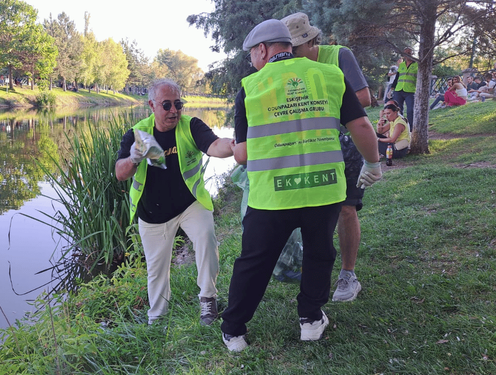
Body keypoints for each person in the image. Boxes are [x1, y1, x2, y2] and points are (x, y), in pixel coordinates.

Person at [220, 19, 381, 352]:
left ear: (263, 50)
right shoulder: (329, 75)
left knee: (254, 261)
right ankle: (310, 319)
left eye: (252, 52)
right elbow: (362, 125)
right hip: (323, 190)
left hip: (272, 197)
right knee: (320, 253)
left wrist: (232, 148)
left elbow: (243, 154)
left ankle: (234, 331)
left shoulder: (251, 87)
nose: (252, 59)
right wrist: (373, 164)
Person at [115, 78, 235, 326]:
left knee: (206, 238)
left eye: (178, 104)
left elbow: (214, 145)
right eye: (167, 105)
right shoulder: (138, 134)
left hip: (189, 204)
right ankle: (157, 319)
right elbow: (120, 173)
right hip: (153, 213)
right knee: (156, 270)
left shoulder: (190, 126)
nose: (174, 111)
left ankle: (208, 302)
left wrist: (233, 145)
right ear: (152, 105)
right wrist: (134, 158)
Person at [281, 12, 371, 302]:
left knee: (346, 208)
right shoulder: (290, 66)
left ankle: (348, 275)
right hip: (311, 145)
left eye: (293, 49)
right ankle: (311, 272)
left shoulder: (339, 56)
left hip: (346, 144)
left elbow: (365, 97)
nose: (289, 55)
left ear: (309, 42)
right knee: (312, 209)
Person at [393, 47, 417, 130]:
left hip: (410, 91)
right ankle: (401, 128)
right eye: (406, 53)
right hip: (399, 90)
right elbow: (397, 77)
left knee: (410, 110)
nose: (407, 55)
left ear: (412, 54)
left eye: (409, 53)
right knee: (398, 110)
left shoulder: (417, 64)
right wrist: (392, 88)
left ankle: (411, 129)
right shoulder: (402, 65)